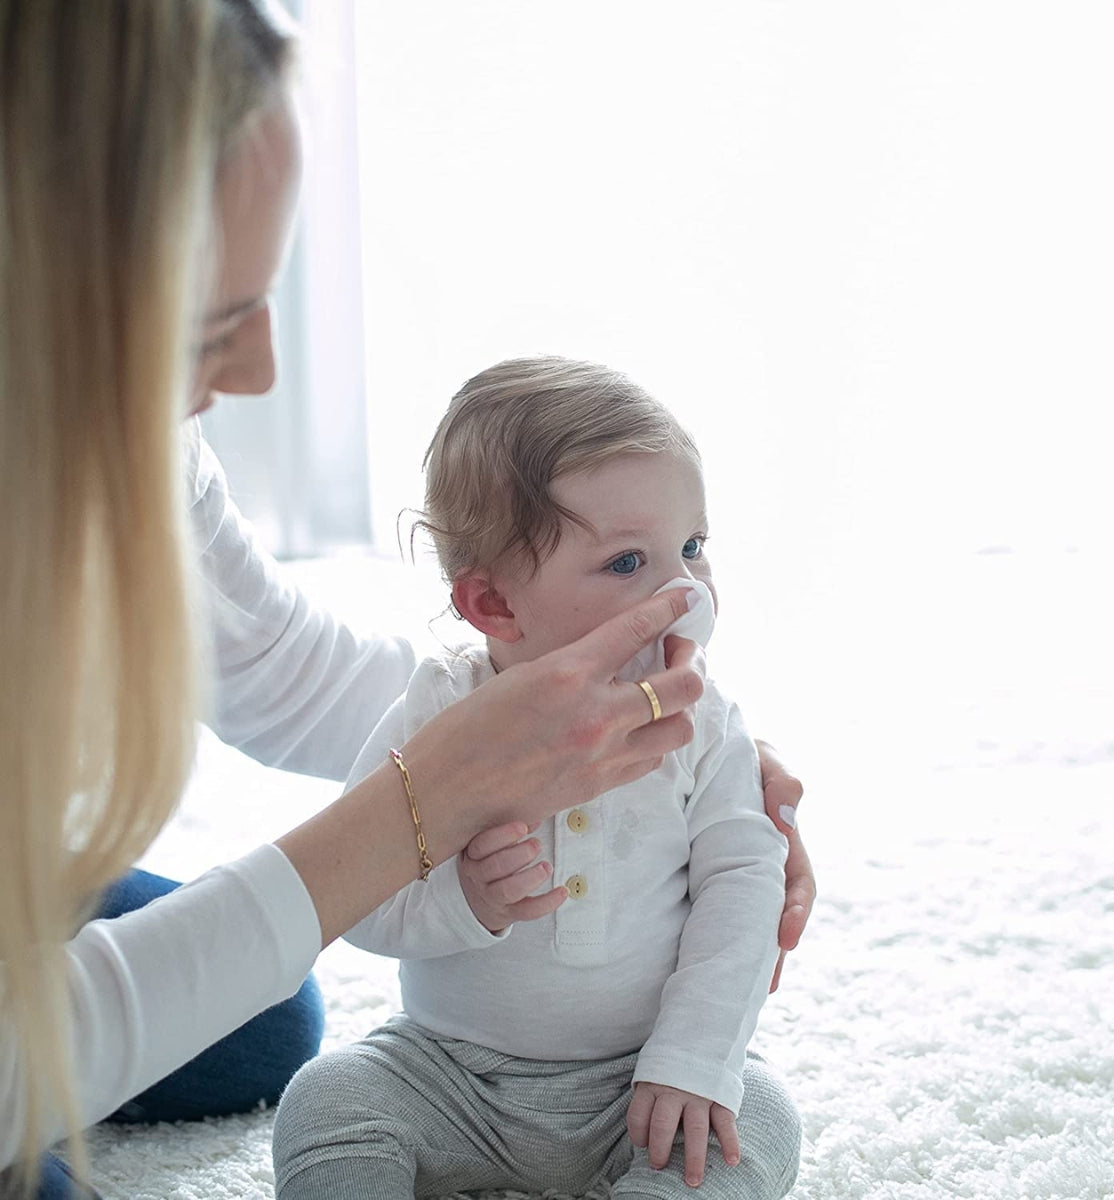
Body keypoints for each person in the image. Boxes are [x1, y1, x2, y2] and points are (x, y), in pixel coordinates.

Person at [0, 3, 811, 1198]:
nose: (263, 372)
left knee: (266, 1027)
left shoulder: (121, 448)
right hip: (453, 1069)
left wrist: (553, 715)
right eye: (206, 324)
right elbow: (390, 890)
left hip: (625, 1077)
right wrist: (435, 795)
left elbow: (266, 659)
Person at [271, 357, 803, 1199]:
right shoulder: (438, 716)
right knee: (326, 1097)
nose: (687, 591)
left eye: (693, 547)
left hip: (639, 1079)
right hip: (447, 1072)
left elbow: (743, 884)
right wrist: (464, 902)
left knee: (759, 1115)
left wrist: (695, 1056)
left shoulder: (705, 722)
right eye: (629, 563)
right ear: (495, 607)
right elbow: (357, 899)